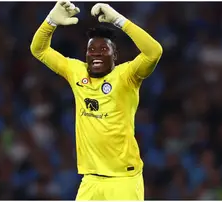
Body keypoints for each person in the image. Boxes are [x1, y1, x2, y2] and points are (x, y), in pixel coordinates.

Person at [30, 1, 162, 200]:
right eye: (92, 50)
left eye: (103, 49)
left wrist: (119, 21)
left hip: (123, 179)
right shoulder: (76, 72)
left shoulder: (126, 76)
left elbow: (154, 52)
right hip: (90, 180)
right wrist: (50, 22)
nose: (96, 54)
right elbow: (38, 49)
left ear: (115, 55)